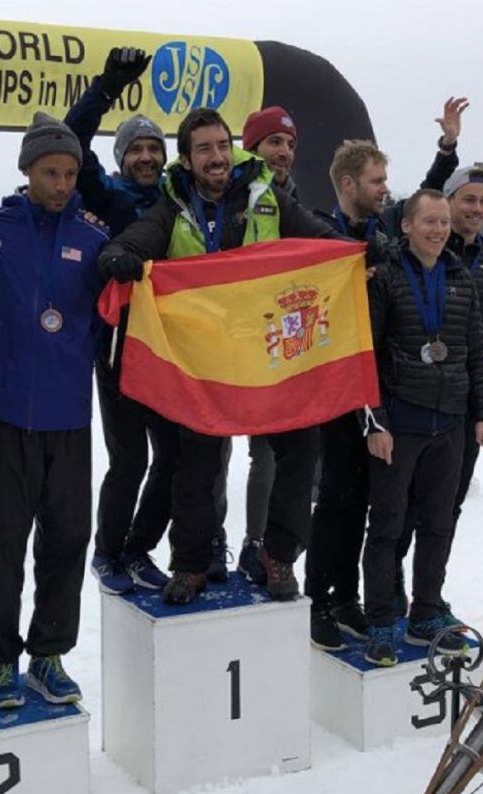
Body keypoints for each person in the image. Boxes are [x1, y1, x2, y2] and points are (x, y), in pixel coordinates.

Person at [98, 107, 340, 605]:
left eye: (222, 147)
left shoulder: (265, 197)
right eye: (204, 149)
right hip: (204, 362)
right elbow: (135, 239)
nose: (216, 157)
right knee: (196, 460)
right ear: (186, 160)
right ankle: (189, 562)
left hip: (266, 357)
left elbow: (319, 235)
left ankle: (277, 554)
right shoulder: (171, 208)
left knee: (300, 447)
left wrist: (356, 251)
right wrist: (119, 255)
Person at [304, 99, 466, 650]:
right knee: (338, 499)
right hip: (334, 384)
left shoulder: (383, 226)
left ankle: (357, 598)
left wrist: (447, 150)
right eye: (376, 180)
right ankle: (321, 599)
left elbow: (425, 202)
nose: (383, 188)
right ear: (349, 183)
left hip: (379, 386)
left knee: (372, 504)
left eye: (385, 181)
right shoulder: (319, 228)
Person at [0, 112, 108, 708]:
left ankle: (47, 655)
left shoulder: (94, 240)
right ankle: (1, 659)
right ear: (27, 169)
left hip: (70, 418)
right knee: (2, 541)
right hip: (3, 418)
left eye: (70, 173)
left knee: (68, 538)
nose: (61, 183)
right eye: (50, 171)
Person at [362, 189, 483, 666]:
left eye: (444, 222)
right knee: (387, 526)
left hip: (452, 425)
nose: (439, 230)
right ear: (406, 226)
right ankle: (380, 617)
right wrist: (375, 422)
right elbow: (368, 357)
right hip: (400, 424)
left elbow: (474, 354)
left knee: (439, 525)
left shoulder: (462, 279)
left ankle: (425, 611)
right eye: (429, 222)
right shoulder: (385, 279)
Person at [64, 46, 175, 596]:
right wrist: (106, 88)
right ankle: (108, 552)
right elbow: (70, 141)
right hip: (118, 344)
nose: (148, 157)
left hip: (173, 348)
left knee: (174, 460)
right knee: (130, 458)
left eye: (156, 148)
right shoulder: (106, 194)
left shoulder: (180, 202)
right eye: (138, 150)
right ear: (123, 157)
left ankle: (139, 548)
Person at [393, 165, 483, 627]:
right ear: (449, 202)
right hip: (414, 401)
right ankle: (392, 589)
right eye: (468, 200)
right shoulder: (424, 250)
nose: (477, 210)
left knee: (447, 507)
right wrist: (446, 151)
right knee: (401, 507)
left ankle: (430, 595)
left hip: (462, 402)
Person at [223, 105, 300, 585]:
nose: (285, 153)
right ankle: (209, 545)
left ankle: (261, 545)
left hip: (271, 337)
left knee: (269, 450)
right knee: (210, 448)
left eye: (290, 145)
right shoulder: (228, 190)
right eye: (275, 142)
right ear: (251, 147)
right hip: (225, 333)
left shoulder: (290, 197)